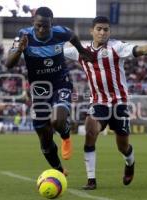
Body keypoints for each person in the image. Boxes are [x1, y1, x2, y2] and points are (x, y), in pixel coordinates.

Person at [64, 16, 147, 189]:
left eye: (106, 29)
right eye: (99, 29)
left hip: (120, 103)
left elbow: (143, 50)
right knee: (90, 132)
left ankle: (130, 163)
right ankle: (91, 180)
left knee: (122, 146)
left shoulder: (117, 47)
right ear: (91, 31)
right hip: (98, 103)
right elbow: (56, 49)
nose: (102, 32)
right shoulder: (80, 50)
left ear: (110, 31)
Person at [6, 7, 92, 174]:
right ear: (33, 23)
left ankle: (66, 136)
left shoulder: (61, 33)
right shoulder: (23, 36)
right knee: (44, 137)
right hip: (39, 90)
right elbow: (9, 64)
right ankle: (59, 170)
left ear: (51, 23)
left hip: (61, 82)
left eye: (45, 26)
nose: (42, 29)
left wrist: (82, 52)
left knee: (57, 121)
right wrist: (19, 50)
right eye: (38, 25)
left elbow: (72, 36)